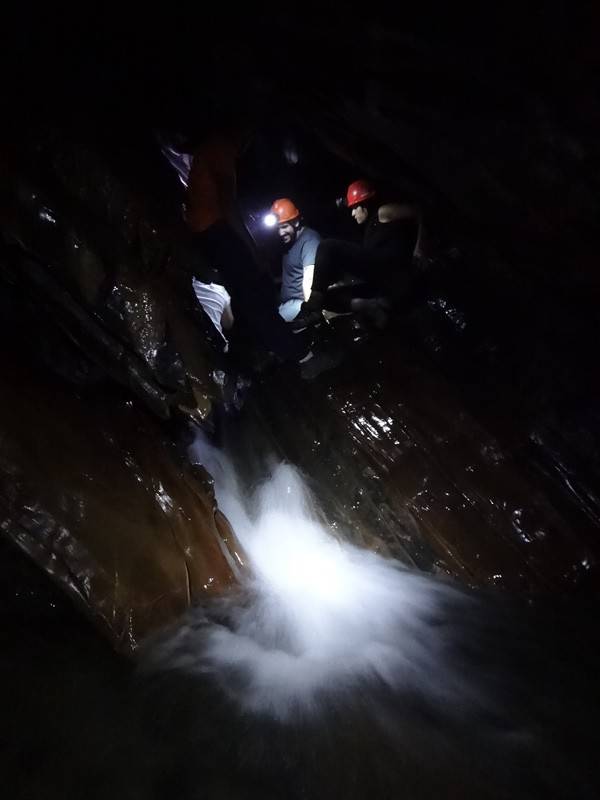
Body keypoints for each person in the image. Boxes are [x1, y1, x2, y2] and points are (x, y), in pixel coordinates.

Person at [184, 129, 337, 379]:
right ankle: (303, 358)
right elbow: (228, 206)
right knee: (256, 298)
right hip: (217, 231)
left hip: (205, 234)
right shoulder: (221, 148)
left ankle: (255, 356)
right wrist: (251, 249)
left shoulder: (209, 150)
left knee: (249, 297)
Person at [306, 178, 421, 323]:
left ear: (364, 204)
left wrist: (420, 246)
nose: (353, 213)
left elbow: (419, 211)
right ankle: (369, 305)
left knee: (326, 246)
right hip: (380, 281)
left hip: (390, 267)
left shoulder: (383, 212)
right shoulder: (367, 230)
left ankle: (315, 298)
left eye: (355, 208)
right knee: (327, 298)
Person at [270, 198, 320, 324]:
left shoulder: (309, 241)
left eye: (284, 227)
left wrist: (312, 313)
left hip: (299, 306)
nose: (280, 233)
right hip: (286, 304)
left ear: (296, 222)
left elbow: (309, 279)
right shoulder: (288, 242)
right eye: (277, 228)